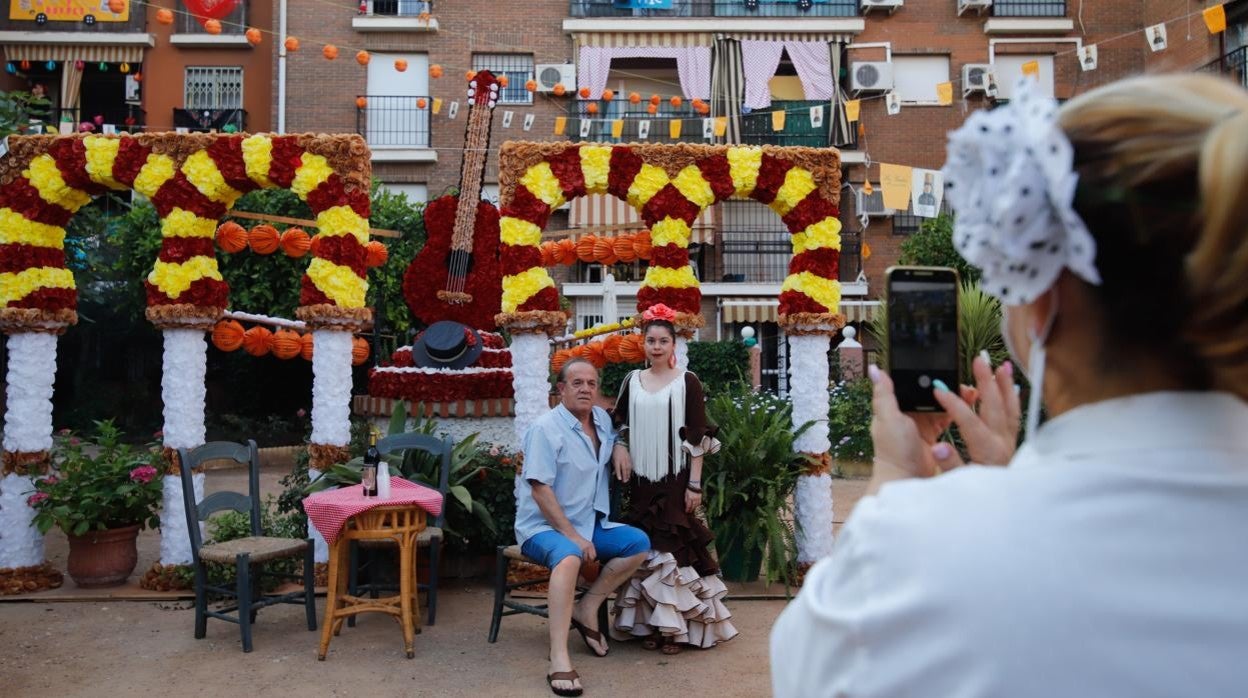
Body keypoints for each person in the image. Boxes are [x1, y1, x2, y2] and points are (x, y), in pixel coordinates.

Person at [771, 73, 1248, 697]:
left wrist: (898, 480)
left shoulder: (917, 555)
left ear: (1044, 299)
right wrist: (1007, 486)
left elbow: (811, 669)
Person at [515, 358, 650, 697]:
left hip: (590, 523)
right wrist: (572, 536)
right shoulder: (545, 429)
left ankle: (587, 607)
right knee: (570, 557)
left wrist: (620, 446)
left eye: (591, 383)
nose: (586, 389)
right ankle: (559, 657)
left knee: (637, 543)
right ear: (561, 389)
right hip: (542, 528)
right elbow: (540, 490)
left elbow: (618, 427)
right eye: (577, 383)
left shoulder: (600, 420)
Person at [609, 303, 738, 653]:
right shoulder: (632, 381)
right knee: (644, 548)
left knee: (673, 548)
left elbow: (697, 434)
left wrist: (694, 484)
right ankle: (649, 625)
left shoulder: (687, 381)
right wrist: (619, 446)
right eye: (650, 340)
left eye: (663, 341)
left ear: (673, 345)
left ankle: (675, 628)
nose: (656, 347)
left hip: (676, 478)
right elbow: (618, 422)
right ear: (643, 343)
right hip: (640, 481)